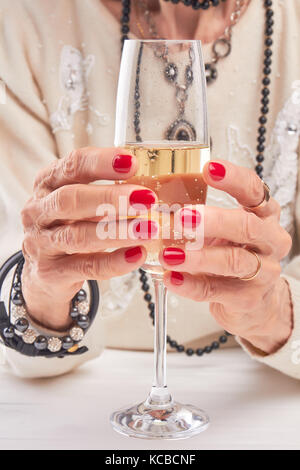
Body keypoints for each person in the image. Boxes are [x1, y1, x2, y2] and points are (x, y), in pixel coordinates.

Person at [0, 0, 299, 379]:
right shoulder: (23, 23)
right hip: (86, 393)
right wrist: (41, 296)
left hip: (265, 395)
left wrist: (272, 314)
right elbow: (18, 341)